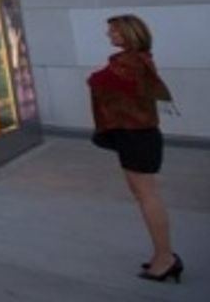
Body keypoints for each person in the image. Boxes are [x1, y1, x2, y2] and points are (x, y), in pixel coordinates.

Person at [88, 14, 182, 284]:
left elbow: (97, 80)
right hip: (138, 135)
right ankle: (162, 255)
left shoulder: (128, 64)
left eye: (114, 32)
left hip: (136, 136)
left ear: (129, 34)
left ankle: (166, 259)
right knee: (145, 195)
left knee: (147, 196)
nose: (109, 36)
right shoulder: (139, 60)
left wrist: (98, 75)